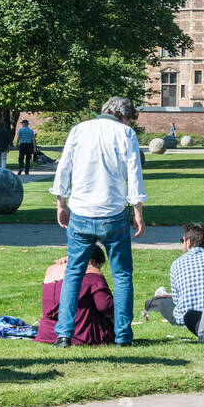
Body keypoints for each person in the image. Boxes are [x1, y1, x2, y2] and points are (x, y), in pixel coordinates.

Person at [49, 96, 146, 348]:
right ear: (121, 115)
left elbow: (64, 168)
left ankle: (64, 334)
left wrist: (61, 202)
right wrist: (138, 210)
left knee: (73, 273)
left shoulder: (79, 129)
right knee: (122, 275)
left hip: (80, 211)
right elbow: (134, 174)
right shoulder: (126, 134)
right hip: (112, 213)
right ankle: (123, 336)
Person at [145, 222, 204, 333]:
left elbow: (177, 301)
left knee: (163, 303)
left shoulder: (176, 264)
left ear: (188, 243)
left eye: (182, 241)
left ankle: (154, 301)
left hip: (185, 319)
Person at [35, 246, 114, 345]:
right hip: (81, 334)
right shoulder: (92, 271)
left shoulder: (51, 269)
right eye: (99, 266)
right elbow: (105, 306)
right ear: (93, 261)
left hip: (46, 333)